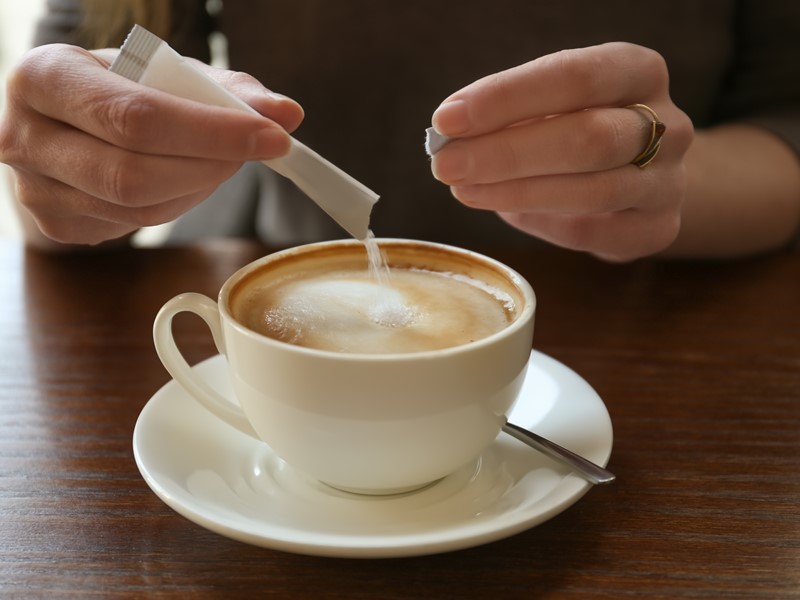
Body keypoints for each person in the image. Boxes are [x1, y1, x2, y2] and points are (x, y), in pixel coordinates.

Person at [0, 0, 798, 261]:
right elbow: (65, 86)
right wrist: (72, 155)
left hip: (657, 335)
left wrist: (664, 178)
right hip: (272, 277)